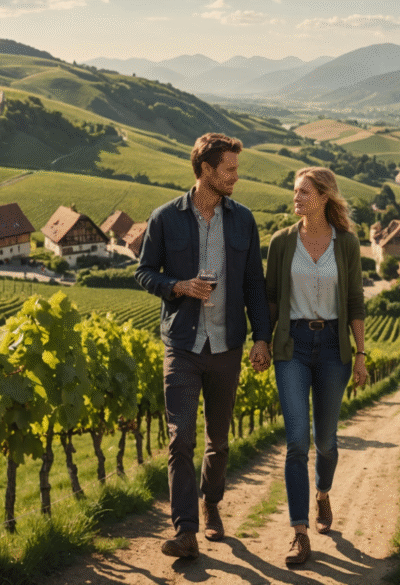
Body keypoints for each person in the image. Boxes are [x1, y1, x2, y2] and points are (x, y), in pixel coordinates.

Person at [135, 132, 272, 559]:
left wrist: (262, 338)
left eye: (235, 168)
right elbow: (144, 273)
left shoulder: (243, 220)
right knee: (180, 440)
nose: (235, 176)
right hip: (182, 344)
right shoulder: (165, 218)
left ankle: (212, 503)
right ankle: (186, 531)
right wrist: (177, 286)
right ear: (206, 171)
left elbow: (254, 284)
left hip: (227, 344)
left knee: (219, 440)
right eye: (229, 169)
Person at [265, 166, 368, 565]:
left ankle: (323, 492)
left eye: (304, 192)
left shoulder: (347, 244)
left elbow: (356, 301)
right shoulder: (281, 242)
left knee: (325, 440)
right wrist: (261, 340)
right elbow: (272, 298)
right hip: (292, 345)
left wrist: (360, 353)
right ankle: (299, 532)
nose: (296, 198)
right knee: (295, 443)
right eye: (295, 191)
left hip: (332, 348)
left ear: (324, 196)